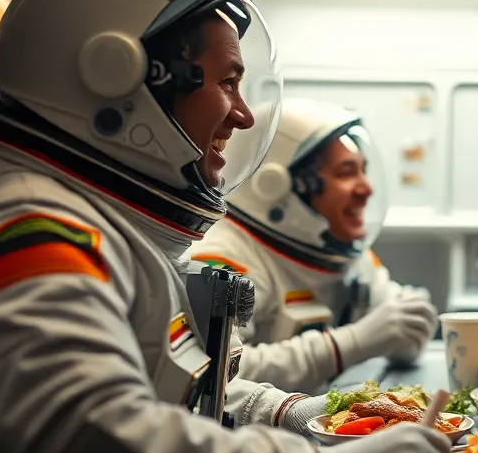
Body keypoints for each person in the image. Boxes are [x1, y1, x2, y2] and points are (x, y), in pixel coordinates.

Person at [0, 0, 452, 453]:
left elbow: (183, 385)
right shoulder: (28, 227)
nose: (245, 117)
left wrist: (295, 415)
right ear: (121, 78)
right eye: (228, 83)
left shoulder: (94, 218)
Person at [185, 97, 439, 396]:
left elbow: (402, 335)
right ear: (278, 186)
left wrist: (408, 326)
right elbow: (216, 373)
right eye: (346, 172)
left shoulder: (342, 252)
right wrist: (349, 344)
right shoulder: (222, 260)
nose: (366, 189)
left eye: (363, 170)